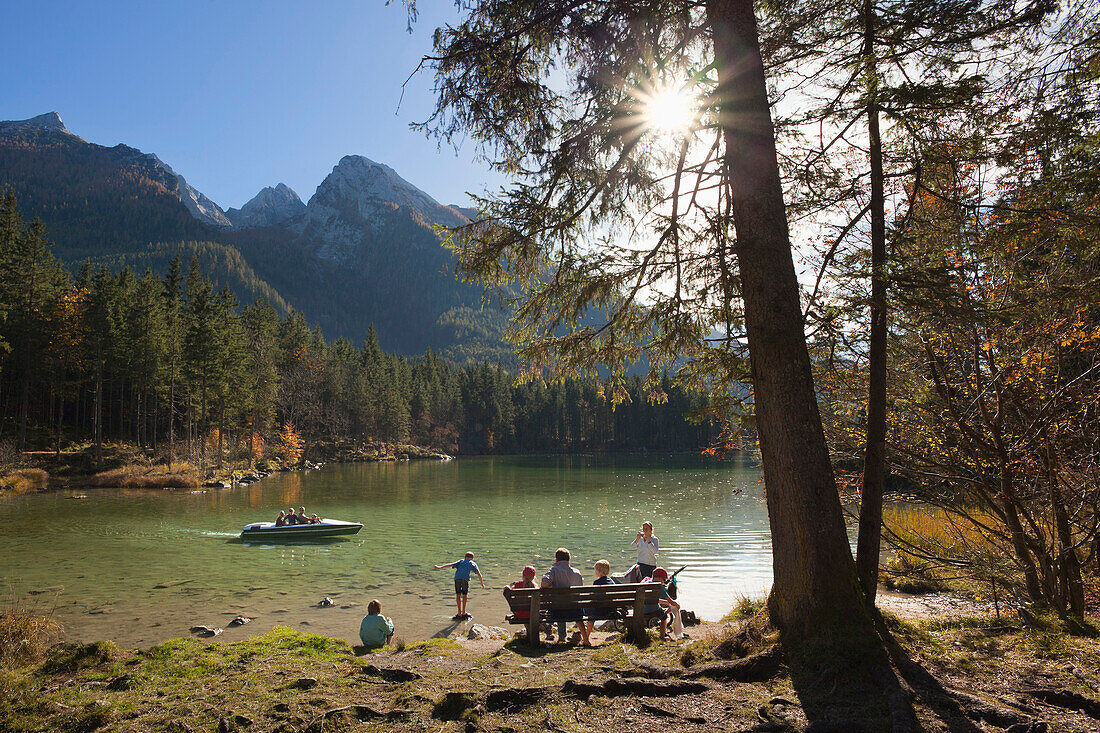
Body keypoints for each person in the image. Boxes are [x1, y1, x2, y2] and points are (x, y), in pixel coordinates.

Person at [541, 548, 590, 646]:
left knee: (559, 603)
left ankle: (562, 637)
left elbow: (544, 583)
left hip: (558, 611)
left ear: (556, 560)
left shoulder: (554, 570)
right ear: (569, 559)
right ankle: (586, 639)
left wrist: (551, 586)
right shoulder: (577, 572)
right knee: (569, 604)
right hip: (575, 610)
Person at [434, 551, 484, 620]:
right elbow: (478, 573)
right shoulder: (472, 563)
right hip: (465, 579)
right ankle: (463, 612)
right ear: (472, 558)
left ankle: (459, 612)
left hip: (457, 578)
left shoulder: (461, 561)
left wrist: (440, 567)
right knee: (464, 595)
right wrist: (482, 583)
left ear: (465, 557)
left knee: (458, 595)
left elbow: (450, 564)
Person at [585, 559, 615, 638]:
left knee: (589, 614)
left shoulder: (596, 583)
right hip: (610, 610)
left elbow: (594, 598)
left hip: (599, 611)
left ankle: (586, 637)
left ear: (598, 571)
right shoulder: (612, 581)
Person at [651, 567, 681, 640]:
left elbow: (652, 599)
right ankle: (662, 635)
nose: (664, 582)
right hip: (653, 609)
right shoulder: (659, 587)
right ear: (660, 578)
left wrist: (665, 602)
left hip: (642, 608)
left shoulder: (647, 583)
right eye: (664, 579)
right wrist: (677, 605)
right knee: (664, 617)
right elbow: (670, 601)